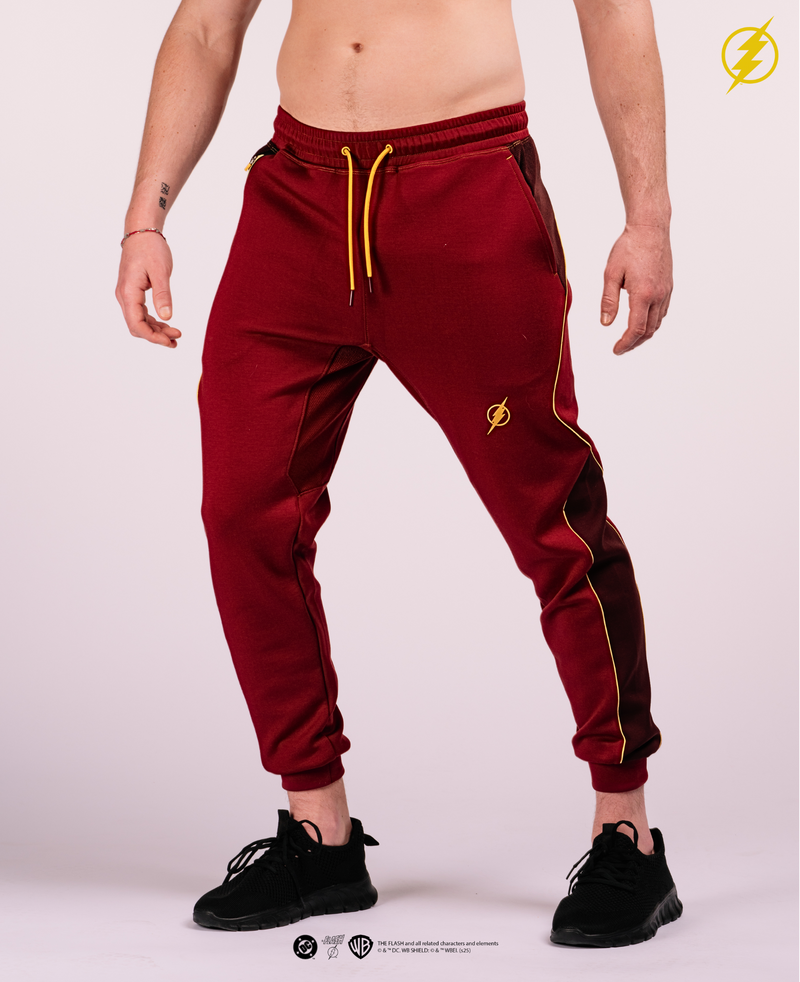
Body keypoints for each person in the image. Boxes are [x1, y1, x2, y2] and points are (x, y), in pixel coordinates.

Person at [115, 0, 681, 947]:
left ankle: (628, 831)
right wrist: (146, 217)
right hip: (298, 197)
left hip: (464, 189)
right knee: (246, 513)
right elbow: (208, 26)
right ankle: (319, 833)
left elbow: (615, 12)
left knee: (554, 523)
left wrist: (648, 217)